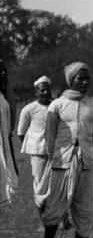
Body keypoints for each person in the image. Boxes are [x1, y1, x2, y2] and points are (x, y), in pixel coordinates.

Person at [38, 62, 93, 238]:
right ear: (71, 80)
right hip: (61, 163)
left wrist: (90, 157)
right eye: (80, 78)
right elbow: (49, 136)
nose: (84, 82)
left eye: (87, 79)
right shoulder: (57, 105)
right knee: (55, 207)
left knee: (84, 209)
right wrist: (55, 157)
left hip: (85, 164)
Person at [17, 76, 52, 221]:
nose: (45, 92)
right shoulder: (29, 109)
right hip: (38, 154)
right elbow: (21, 132)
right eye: (42, 90)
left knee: (58, 184)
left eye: (47, 90)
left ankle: (61, 217)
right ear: (36, 92)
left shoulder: (57, 106)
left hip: (56, 153)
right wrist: (35, 146)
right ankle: (43, 217)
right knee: (40, 185)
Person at [0, 60, 19, 215]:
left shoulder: (5, 97)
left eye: (4, 70)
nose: (3, 74)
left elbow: (10, 125)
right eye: (0, 71)